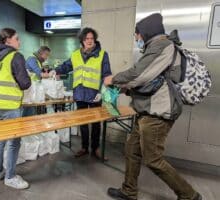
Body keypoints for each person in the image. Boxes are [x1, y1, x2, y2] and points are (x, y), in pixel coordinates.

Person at [105, 13, 202, 200]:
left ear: (145, 33)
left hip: (157, 115)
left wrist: (113, 79)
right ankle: (129, 191)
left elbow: (138, 75)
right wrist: (126, 90)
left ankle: (189, 195)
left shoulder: (162, 46)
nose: (136, 39)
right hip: (145, 112)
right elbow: (151, 82)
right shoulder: (155, 48)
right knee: (132, 150)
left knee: (153, 159)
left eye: (137, 36)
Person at [54, 27, 112, 159]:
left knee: (96, 122)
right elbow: (66, 66)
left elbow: (107, 74)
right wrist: (54, 71)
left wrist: (102, 91)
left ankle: (95, 148)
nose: (89, 41)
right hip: (80, 93)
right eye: (86, 39)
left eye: (92, 38)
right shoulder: (75, 54)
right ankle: (85, 147)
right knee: (83, 122)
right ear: (82, 40)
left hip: (94, 94)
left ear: (95, 40)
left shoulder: (102, 54)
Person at [0, 27, 31, 189]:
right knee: (14, 141)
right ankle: (11, 176)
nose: (19, 41)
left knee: (1, 139)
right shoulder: (15, 56)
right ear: (8, 41)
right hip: (10, 105)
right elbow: (24, 83)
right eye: (17, 38)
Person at [23, 46, 51, 116]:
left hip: (35, 90)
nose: (47, 57)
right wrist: (51, 74)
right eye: (46, 55)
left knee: (37, 112)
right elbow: (39, 73)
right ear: (41, 53)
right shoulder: (32, 59)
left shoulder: (38, 61)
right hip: (29, 91)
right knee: (29, 114)